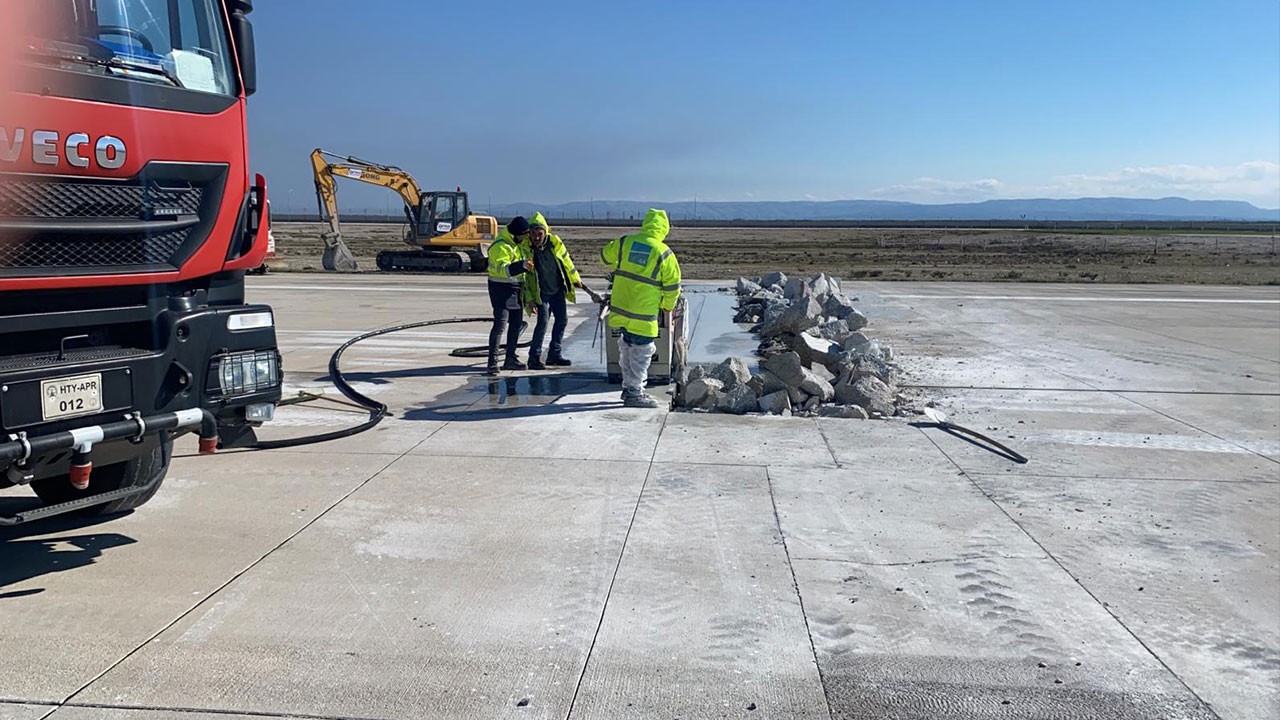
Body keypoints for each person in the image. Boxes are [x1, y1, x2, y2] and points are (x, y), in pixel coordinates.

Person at [600, 208, 681, 408]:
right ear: (664, 228)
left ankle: (628, 388)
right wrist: (667, 306)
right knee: (642, 353)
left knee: (626, 348)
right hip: (643, 314)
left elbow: (604, 256)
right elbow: (672, 286)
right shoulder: (664, 253)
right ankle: (635, 393)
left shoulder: (625, 242)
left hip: (621, 310)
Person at [525, 212, 585, 369]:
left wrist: (575, 279)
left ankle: (554, 354)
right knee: (542, 323)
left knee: (562, 320)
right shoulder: (527, 249)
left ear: (545, 232)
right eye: (533, 234)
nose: (536, 238)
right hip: (541, 293)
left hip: (557, 289)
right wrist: (529, 298)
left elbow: (567, 262)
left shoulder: (554, 243)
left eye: (539, 234)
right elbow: (525, 279)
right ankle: (534, 358)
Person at [485, 216, 535, 376]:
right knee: (500, 325)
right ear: (515, 233)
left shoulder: (516, 245)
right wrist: (521, 266)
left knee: (515, 325)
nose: (525, 238)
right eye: (523, 235)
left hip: (515, 290)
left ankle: (510, 358)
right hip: (501, 290)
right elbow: (503, 269)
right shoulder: (500, 247)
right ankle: (492, 362)